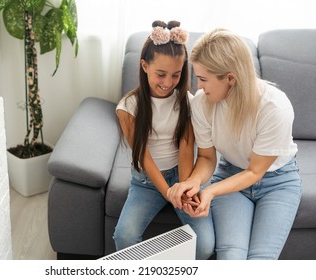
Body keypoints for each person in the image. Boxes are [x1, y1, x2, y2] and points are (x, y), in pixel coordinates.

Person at [167, 28, 302, 260]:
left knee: (260, 261)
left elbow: (254, 171)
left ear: (230, 77)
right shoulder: (202, 103)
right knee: (231, 258)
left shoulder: (274, 107)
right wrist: (193, 182)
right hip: (230, 175)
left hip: (277, 182)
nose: (198, 86)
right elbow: (207, 158)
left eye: (203, 79)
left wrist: (209, 191)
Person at [113, 20, 215, 260]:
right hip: (146, 182)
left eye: (176, 75)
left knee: (205, 245)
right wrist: (168, 192)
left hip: (182, 175)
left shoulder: (189, 102)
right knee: (124, 236)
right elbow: (143, 156)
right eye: (161, 74)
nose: (168, 82)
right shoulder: (128, 108)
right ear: (144, 66)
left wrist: (183, 188)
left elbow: (186, 148)